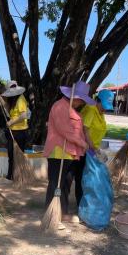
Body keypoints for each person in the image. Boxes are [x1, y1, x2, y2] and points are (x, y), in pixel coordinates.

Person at [43, 81, 92, 228]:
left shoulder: (72, 109)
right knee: (56, 183)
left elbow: (78, 130)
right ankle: (51, 214)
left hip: (70, 153)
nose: (81, 103)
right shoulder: (59, 107)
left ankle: (62, 213)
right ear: (74, 96)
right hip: (59, 151)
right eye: (81, 100)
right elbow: (66, 131)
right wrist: (83, 143)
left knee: (65, 183)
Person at [74, 89, 115, 213]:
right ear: (98, 100)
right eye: (104, 105)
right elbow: (85, 130)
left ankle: (88, 204)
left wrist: (96, 149)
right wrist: (93, 148)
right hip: (85, 149)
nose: (105, 109)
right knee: (82, 177)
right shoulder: (91, 110)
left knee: (90, 177)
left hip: (92, 150)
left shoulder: (99, 112)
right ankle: (81, 205)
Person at [0, 80, 29, 181]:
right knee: (11, 154)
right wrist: (0, 100)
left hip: (20, 131)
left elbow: (24, 115)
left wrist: (12, 122)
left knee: (18, 155)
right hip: (12, 131)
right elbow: (7, 110)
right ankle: (11, 176)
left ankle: (19, 176)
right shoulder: (12, 100)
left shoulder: (21, 99)